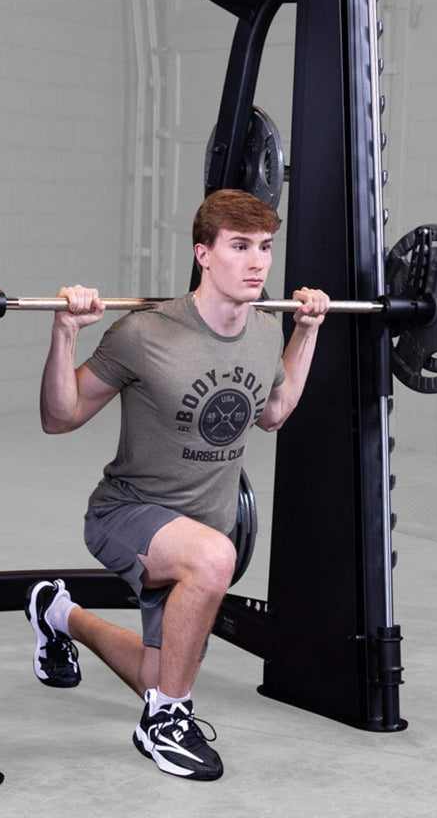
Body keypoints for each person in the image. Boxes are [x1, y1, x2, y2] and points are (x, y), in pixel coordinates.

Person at [25, 189, 329, 781]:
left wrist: (308, 330)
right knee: (216, 561)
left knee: (156, 674)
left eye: (265, 248)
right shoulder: (144, 333)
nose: (257, 263)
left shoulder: (267, 332)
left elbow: (273, 413)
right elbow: (58, 417)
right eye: (239, 247)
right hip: (128, 513)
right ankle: (165, 722)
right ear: (204, 255)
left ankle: (57, 613)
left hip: (200, 528)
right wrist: (66, 331)